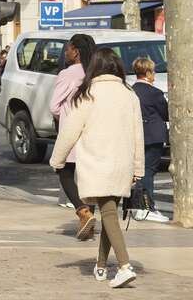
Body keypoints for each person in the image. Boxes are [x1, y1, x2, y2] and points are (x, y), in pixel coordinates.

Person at [50, 47, 144, 289]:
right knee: (110, 213)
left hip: (97, 161)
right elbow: (138, 134)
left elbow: (69, 131)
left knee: (109, 214)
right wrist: (138, 168)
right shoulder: (129, 93)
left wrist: (57, 160)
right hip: (122, 162)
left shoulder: (88, 94)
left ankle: (124, 266)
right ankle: (101, 266)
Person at [50, 33, 97, 239]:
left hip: (72, 131)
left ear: (75, 52)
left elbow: (54, 106)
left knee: (64, 171)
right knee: (89, 178)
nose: (66, 52)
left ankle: (83, 211)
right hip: (93, 130)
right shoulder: (95, 72)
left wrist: (65, 114)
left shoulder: (68, 74)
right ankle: (89, 220)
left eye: (68, 48)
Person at [132, 56, 170, 223]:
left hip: (136, 134)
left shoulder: (131, 90)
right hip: (153, 135)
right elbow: (165, 113)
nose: (154, 74)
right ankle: (148, 207)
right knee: (149, 171)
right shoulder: (155, 93)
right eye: (153, 71)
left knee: (137, 172)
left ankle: (137, 207)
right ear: (147, 73)